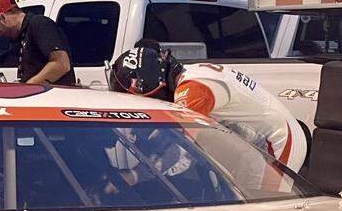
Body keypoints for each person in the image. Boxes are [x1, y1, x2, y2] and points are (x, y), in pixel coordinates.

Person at [108, 40, 307, 167]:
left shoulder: (193, 90)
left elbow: (184, 148)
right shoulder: (190, 74)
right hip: (259, 140)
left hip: (277, 142)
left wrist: (141, 173)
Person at [0, 0, 75, 86]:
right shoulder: (23, 34)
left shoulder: (39, 24)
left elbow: (61, 64)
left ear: (3, 18)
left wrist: (27, 87)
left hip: (53, 98)